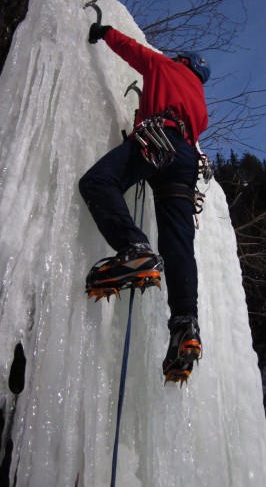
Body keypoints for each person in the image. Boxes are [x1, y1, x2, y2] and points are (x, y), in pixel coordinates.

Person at [79, 21, 211, 384]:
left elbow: (134, 50)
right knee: (178, 242)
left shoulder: (166, 67)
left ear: (182, 61)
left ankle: (134, 248)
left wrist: (103, 31)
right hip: (185, 162)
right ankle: (186, 324)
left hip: (159, 140)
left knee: (98, 181)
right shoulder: (200, 105)